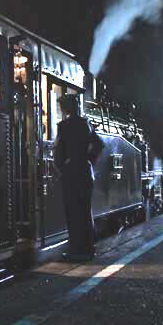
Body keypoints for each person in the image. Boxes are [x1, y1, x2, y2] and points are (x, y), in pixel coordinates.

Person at [54, 94, 104, 261]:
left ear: (66, 108)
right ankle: (89, 248)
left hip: (71, 174)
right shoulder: (86, 124)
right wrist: (88, 160)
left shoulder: (64, 126)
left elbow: (58, 152)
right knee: (85, 210)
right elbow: (99, 144)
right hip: (85, 172)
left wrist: (63, 165)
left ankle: (75, 249)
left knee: (72, 212)